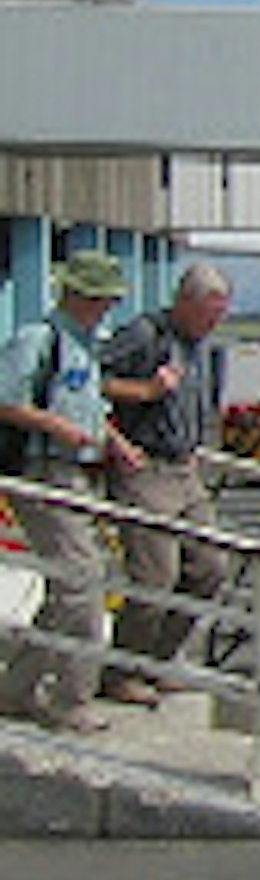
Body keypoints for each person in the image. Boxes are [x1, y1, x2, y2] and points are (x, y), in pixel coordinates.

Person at [1, 249, 146, 733]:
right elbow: (6, 400)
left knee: (69, 588)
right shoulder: (37, 340)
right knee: (83, 583)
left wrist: (115, 443)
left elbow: (92, 405)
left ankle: (16, 688)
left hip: (80, 472)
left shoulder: (85, 343)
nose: (108, 308)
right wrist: (56, 427)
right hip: (43, 471)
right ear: (79, 295)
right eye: (101, 298)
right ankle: (72, 697)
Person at [98, 262, 231, 705]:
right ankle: (122, 670)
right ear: (185, 303)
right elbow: (89, 383)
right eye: (209, 313)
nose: (214, 323)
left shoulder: (200, 346)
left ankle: (159, 657)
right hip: (146, 466)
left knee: (209, 567)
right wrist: (142, 399)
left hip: (184, 468)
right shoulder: (145, 334)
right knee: (155, 576)